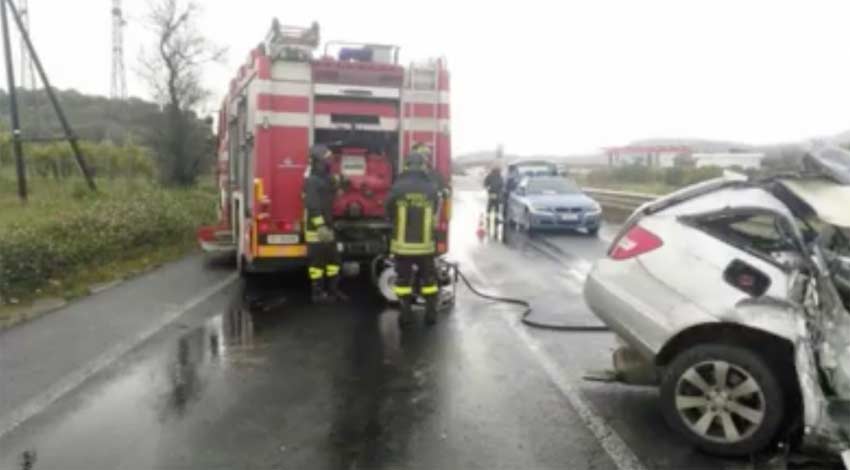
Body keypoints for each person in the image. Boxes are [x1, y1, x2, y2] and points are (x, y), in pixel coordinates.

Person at [386, 151, 441, 327]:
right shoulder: (431, 187)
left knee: (403, 281)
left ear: (407, 166)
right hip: (425, 246)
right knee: (429, 280)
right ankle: (430, 314)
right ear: (423, 166)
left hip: (403, 246)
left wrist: (395, 221)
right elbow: (435, 209)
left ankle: (406, 315)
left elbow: (388, 209)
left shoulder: (398, 187)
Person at [303, 144, 345, 303]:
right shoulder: (312, 181)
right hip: (316, 230)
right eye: (327, 158)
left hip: (328, 226)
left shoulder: (324, 178)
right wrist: (320, 226)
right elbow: (312, 206)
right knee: (317, 264)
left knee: (334, 261)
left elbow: (333, 185)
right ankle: (318, 294)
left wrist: (340, 182)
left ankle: (333, 291)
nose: (330, 161)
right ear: (319, 161)